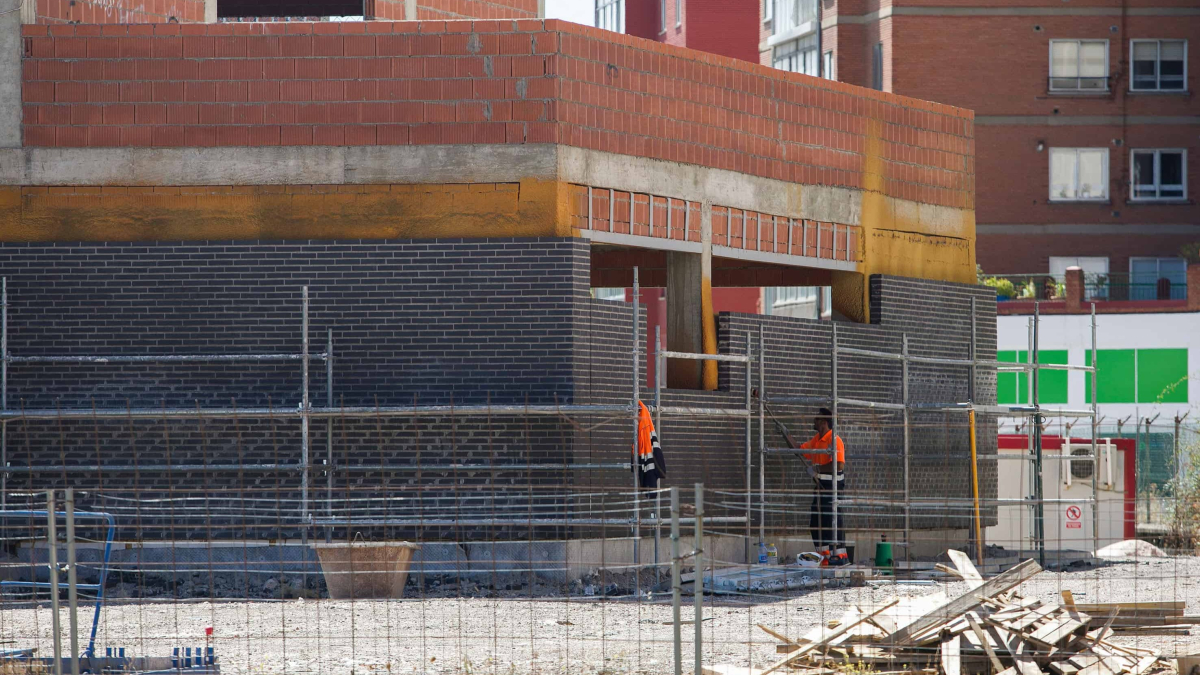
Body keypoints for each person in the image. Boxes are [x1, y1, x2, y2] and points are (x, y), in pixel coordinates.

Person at [798, 408, 848, 566]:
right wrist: (785, 435)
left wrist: (818, 468)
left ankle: (840, 556)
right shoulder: (817, 439)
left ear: (824, 422)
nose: (814, 420)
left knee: (831, 520)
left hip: (832, 487)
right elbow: (800, 451)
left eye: (817, 419)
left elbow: (839, 464)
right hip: (821, 487)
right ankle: (824, 558)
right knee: (817, 522)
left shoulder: (834, 439)